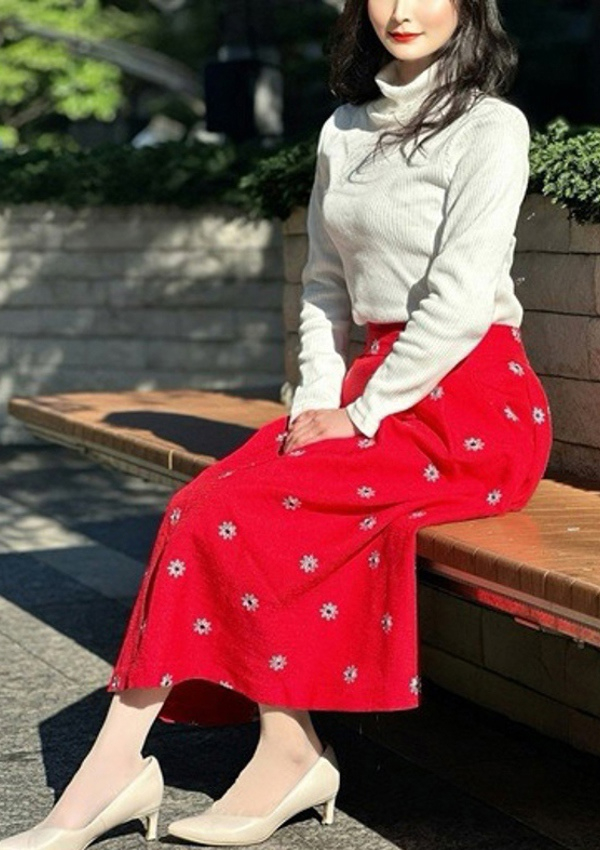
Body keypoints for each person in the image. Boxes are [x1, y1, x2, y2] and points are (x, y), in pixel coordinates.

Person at [0, 0, 553, 848]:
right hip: (372, 388)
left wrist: (359, 413)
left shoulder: (490, 127)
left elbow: (461, 302)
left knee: (241, 509)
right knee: (206, 504)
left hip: (469, 403)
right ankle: (262, 751)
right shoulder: (344, 129)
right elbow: (326, 288)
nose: (403, 10)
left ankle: (152, 773)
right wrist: (317, 403)